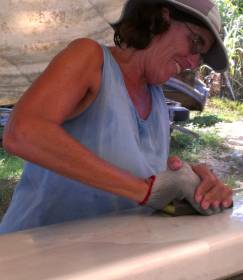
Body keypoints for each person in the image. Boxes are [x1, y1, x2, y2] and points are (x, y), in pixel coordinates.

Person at [0, 0, 233, 234]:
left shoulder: (158, 103)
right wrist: (144, 190)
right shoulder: (91, 59)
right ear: (163, 19)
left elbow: (127, 169)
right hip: (33, 258)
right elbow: (22, 132)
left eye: (201, 57)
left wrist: (189, 182)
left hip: (106, 261)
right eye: (196, 43)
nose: (193, 63)